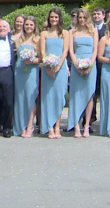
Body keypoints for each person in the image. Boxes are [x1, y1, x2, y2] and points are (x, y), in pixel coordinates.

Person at [67, 8, 98, 138]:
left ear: (87, 18)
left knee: (89, 95)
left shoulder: (93, 31)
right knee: (75, 94)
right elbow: (71, 51)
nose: (81, 20)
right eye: (79, 17)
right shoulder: (71, 32)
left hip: (90, 64)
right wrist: (76, 65)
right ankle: (76, 126)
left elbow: (95, 49)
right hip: (77, 63)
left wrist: (90, 64)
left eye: (84, 18)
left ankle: (86, 125)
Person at [39, 9, 69, 139]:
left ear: (59, 18)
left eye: (56, 17)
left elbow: (65, 51)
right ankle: (49, 127)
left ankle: (57, 126)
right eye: (52, 17)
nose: (54, 19)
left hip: (60, 69)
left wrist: (57, 67)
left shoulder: (64, 33)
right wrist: (47, 66)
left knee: (59, 98)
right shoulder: (44, 33)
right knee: (48, 98)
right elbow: (42, 52)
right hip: (47, 69)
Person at [13, 15, 41, 138]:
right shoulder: (18, 39)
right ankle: (20, 126)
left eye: (31, 24)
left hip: (32, 71)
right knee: (20, 99)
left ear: (34, 26)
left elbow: (42, 58)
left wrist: (33, 61)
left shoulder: (38, 40)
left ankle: (30, 125)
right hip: (19, 71)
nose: (28, 27)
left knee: (30, 98)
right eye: (26, 24)